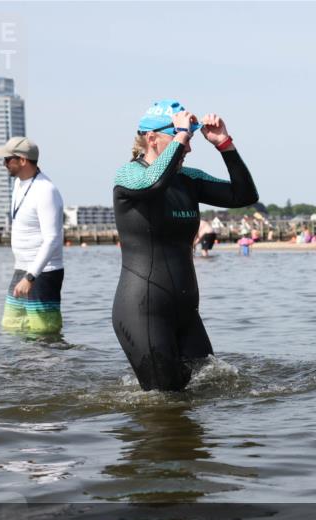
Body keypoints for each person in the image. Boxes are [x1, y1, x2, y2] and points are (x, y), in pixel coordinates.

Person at [112, 99, 257, 391]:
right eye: (182, 138)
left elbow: (244, 195)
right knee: (164, 402)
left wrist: (224, 144)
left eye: (190, 138)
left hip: (186, 311)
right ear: (151, 138)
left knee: (212, 387)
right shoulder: (129, 176)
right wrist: (182, 136)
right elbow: (153, 183)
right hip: (143, 309)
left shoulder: (187, 179)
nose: (188, 148)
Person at [0, 137, 65, 335]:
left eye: (8, 159)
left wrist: (31, 277)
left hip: (43, 273)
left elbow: (52, 239)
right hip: (22, 269)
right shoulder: (19, 184)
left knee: (44, 333)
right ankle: (24, 366)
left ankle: (53, 366)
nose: (4, 164)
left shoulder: (45, 191)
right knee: (12, 326)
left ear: (23, 160)